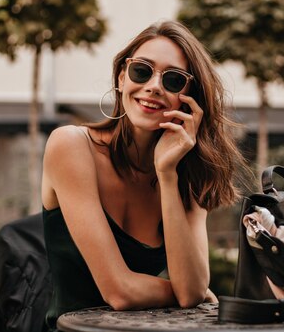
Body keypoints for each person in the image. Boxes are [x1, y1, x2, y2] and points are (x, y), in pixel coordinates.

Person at [40, 20, 249, 330]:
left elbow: (191, 288)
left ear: (189, 99)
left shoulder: (185, 171)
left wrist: (166, 174)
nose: (154, 86)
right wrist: (186, 293)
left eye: (174, 80)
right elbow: (121, 291)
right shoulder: (70, 145)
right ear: (123, 77)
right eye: (142, 70)